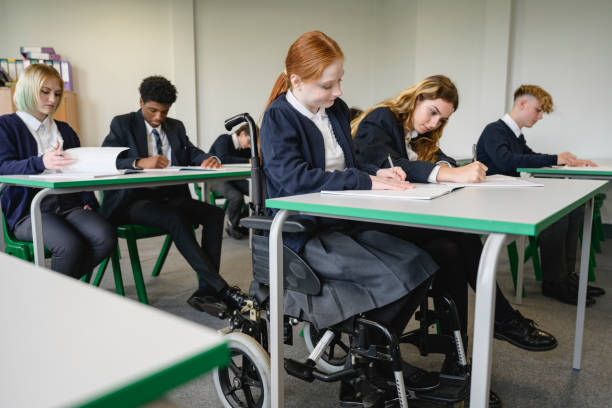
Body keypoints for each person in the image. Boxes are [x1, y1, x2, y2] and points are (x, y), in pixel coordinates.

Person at [260, 31, 444, 404]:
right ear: (297, 81)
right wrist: (365, 180)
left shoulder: (337, 112)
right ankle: (372, 365)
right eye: (329, 84)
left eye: (340, 80)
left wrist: (381, 174)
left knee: (423, 263)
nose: (338, 91)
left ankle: (373, 356)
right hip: (303, 230)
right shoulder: (279, 118)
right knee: (397, 274)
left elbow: (351, 164)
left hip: (341, 222)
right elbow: (293, 181)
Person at [352, 75, 557, 407]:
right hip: (372, 223)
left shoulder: (420, 134)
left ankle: (456, 362)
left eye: (442, 119)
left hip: (404, 220)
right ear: (416, 98)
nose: (434, 123)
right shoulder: (382, 118)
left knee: (450, 249)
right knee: (458, 238)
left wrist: (453, 167)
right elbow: (385, 166)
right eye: (432, 112)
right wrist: (447, 173)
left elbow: (442, 160)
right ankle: (501, 320)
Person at [100, 75, 245, 314]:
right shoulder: (122, 124)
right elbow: (107, 158)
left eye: (164, 112)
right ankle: (220, 288)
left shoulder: (175, 127)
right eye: (152, 110)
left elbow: (190, 152)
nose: (158, 118)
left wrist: (208, 159)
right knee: (174, 218)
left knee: (213, 215)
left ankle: (205, 292)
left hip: (169, 196)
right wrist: (139, 161)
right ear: (140, 102)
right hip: (134, 201)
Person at [476, 84, 605, 305]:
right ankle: (554, 282)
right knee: (557, 215)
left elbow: (531, 157)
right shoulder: (494, 130)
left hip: (512, 194)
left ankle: (566, 276)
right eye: (538, 110)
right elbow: (507, 161)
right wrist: (555, 158)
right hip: (496, 199)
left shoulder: (516, 135)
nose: (541, 116)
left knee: (573, 208)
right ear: (522, 103)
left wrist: (569, 162)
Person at [0, 63, 116, 278]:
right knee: (69, 245)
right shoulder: (5, 126)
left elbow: (81, 171)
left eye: (57, 93)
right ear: (27, 90)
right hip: (29, 210)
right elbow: (3, 168)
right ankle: (60, 297)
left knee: (105, 236)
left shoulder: (64, 130)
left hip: (71, 205)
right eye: (45, 92)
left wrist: (88, 199)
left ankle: (57, 290)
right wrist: (41, 162)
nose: (52, 99)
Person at [209, 123, 252, 239]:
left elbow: (254, 157)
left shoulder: (244, 148)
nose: (249, 146)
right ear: (242, 134)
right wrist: (248, 161)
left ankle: (244, 222)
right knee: (236, 197)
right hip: (215, 178)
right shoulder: (224, 139)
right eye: (249, 142)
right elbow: (223, 159)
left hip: (233, 178)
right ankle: (232, 225)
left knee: (258, 193)